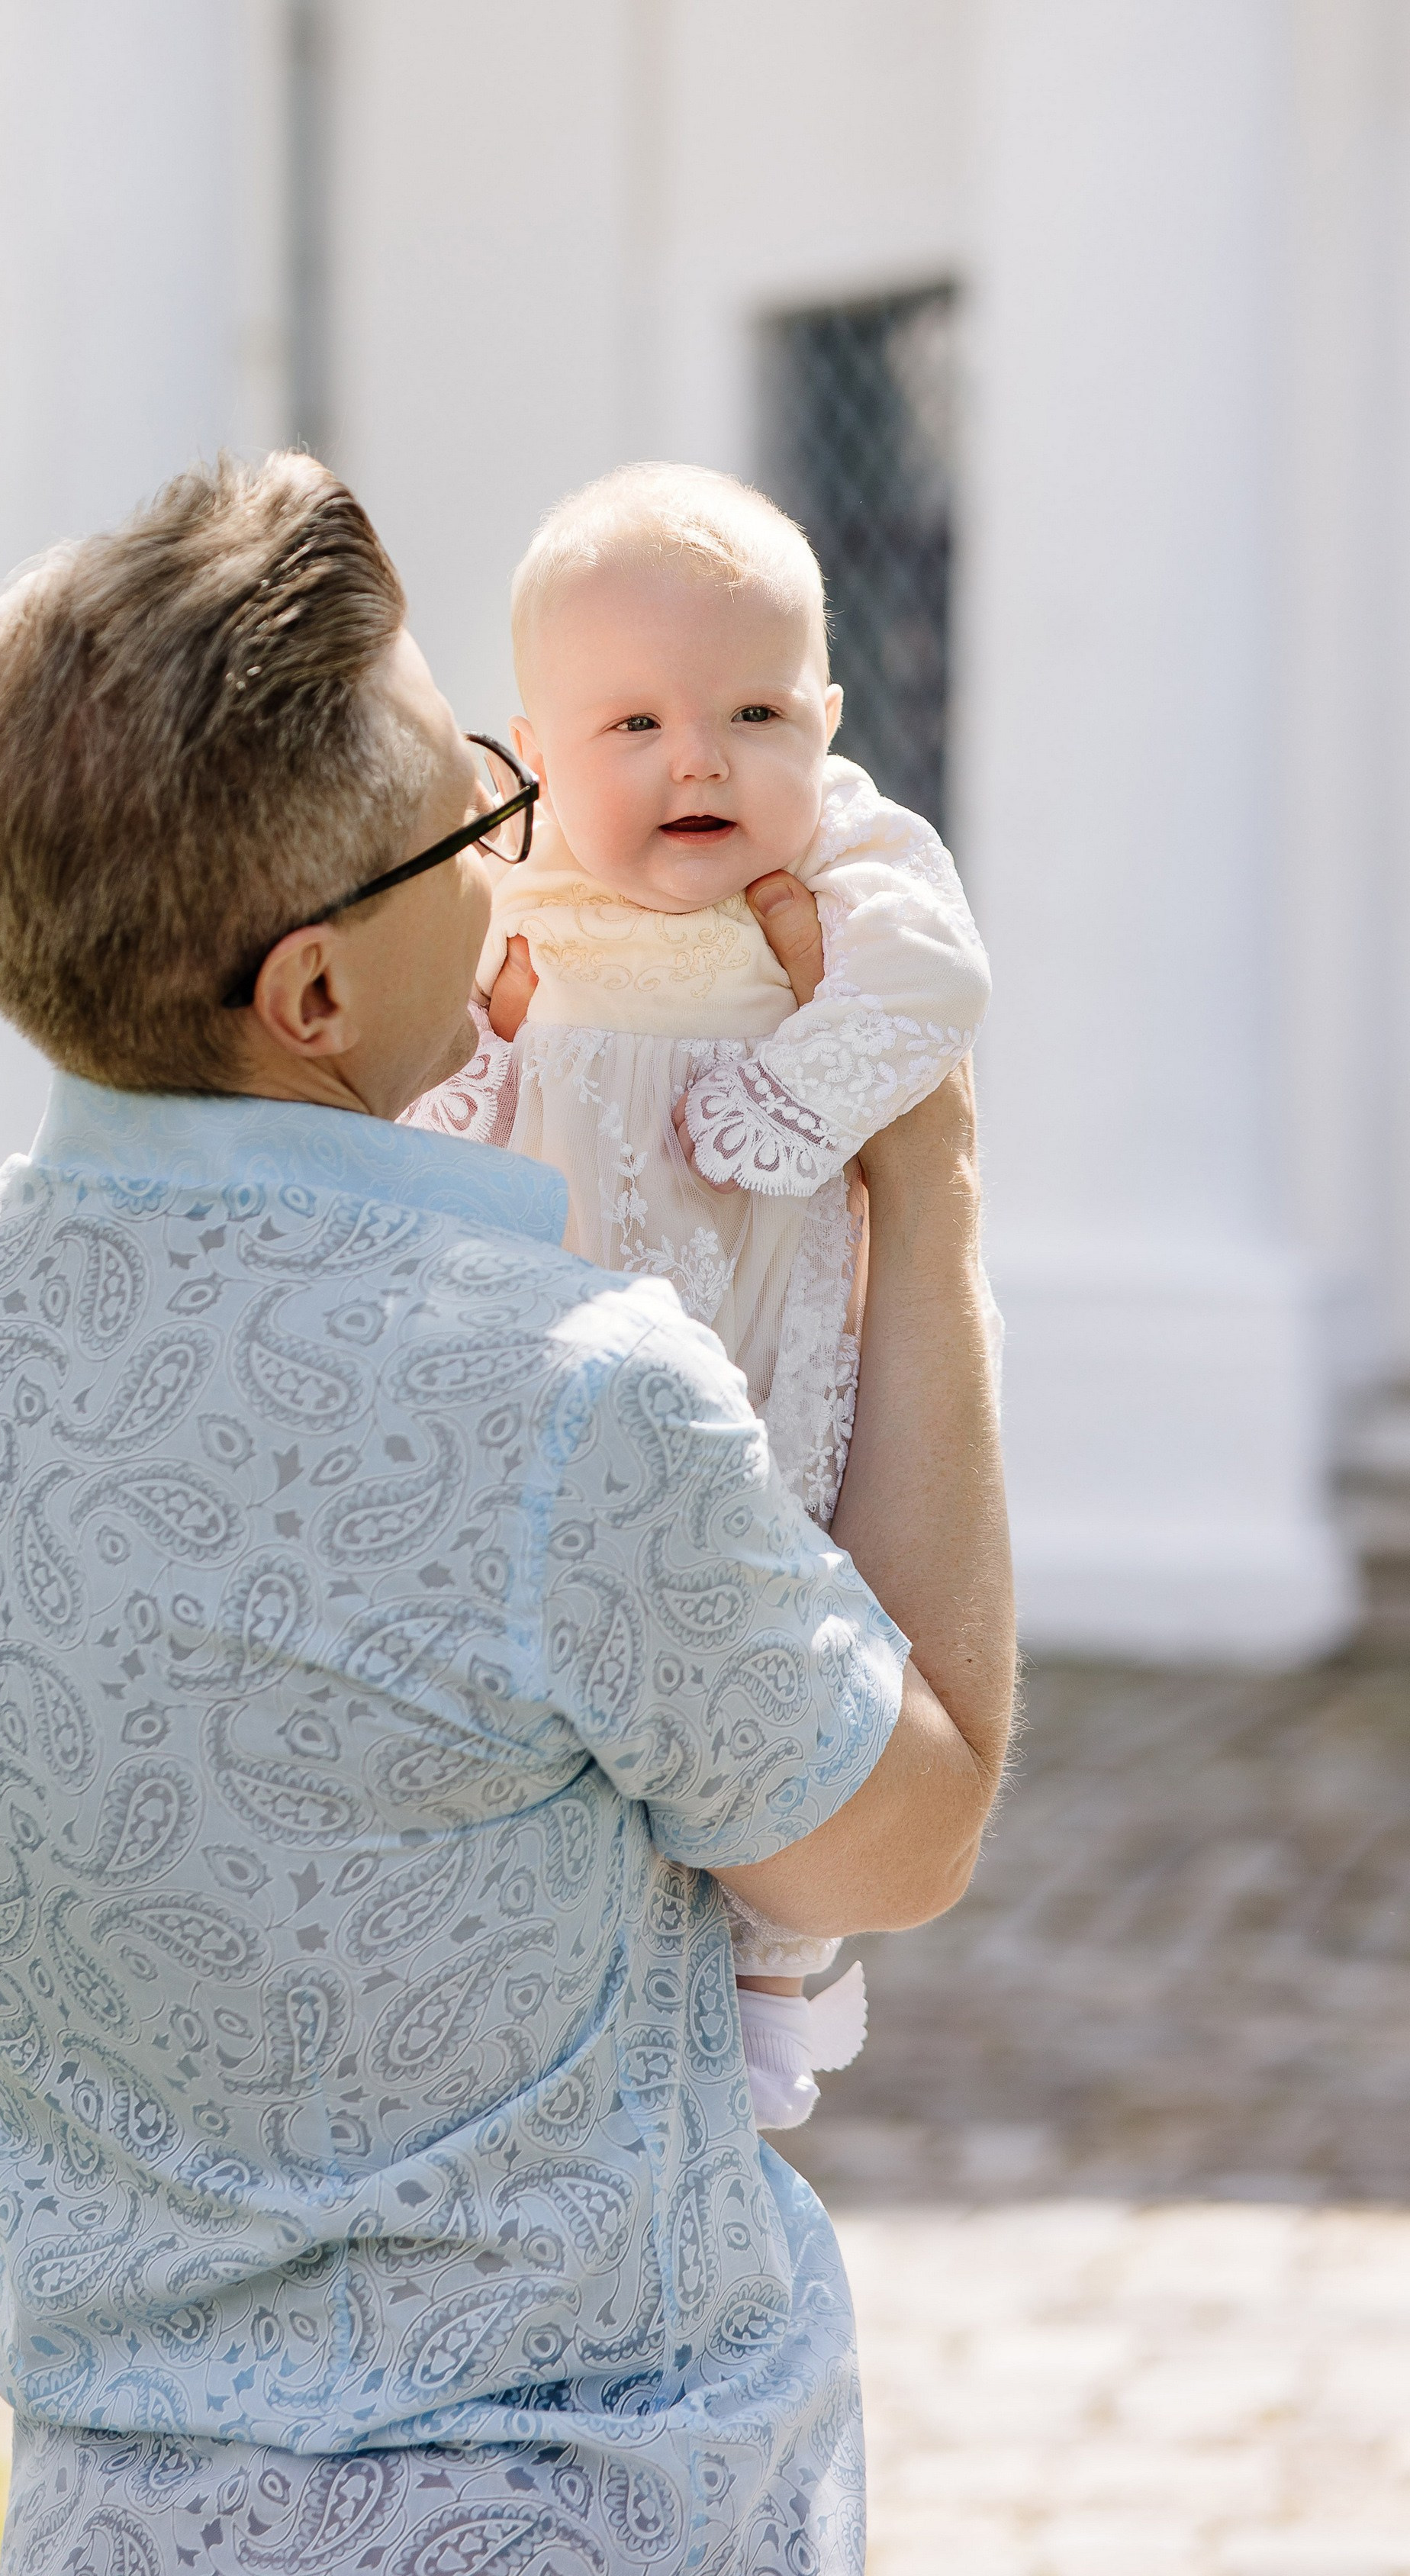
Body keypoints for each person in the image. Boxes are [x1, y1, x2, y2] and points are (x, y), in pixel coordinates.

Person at [0, 453, 1013, 2574]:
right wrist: (927, 1207)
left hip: (112, 2510)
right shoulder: (559, 1393)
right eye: (474, 808)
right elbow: (907, 1831)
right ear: (310, 998)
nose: (518, 842)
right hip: (587, 2500)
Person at [407, 463, 993, 2130]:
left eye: (752, 713)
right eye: (635, 727)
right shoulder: (506, 877)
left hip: (766, 1317)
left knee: (783, 1588)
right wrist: (469, 1084)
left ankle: (762, 1989)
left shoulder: (854, 855)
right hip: (564, 1337)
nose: (701, 761)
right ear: (532, 746)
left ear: (826, 715)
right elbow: (451, 1063)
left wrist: (806, 1094)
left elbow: (934, 980)